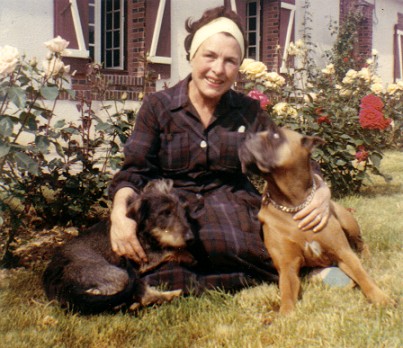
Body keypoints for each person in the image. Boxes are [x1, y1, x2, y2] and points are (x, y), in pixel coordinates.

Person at [108, 6, 331, 294]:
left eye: (230, 61)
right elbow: (134, 171)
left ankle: (270, 270)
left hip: (233, 207)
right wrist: (119, 214)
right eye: (210, 56)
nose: (218, 70)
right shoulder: (159, 106)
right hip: (177, 210)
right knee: (163, 270)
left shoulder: (247, 111)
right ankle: (278, 273)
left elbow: (290, 155)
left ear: (238, 67)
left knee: (221, 242)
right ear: (192, 56)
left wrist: (321, 189)